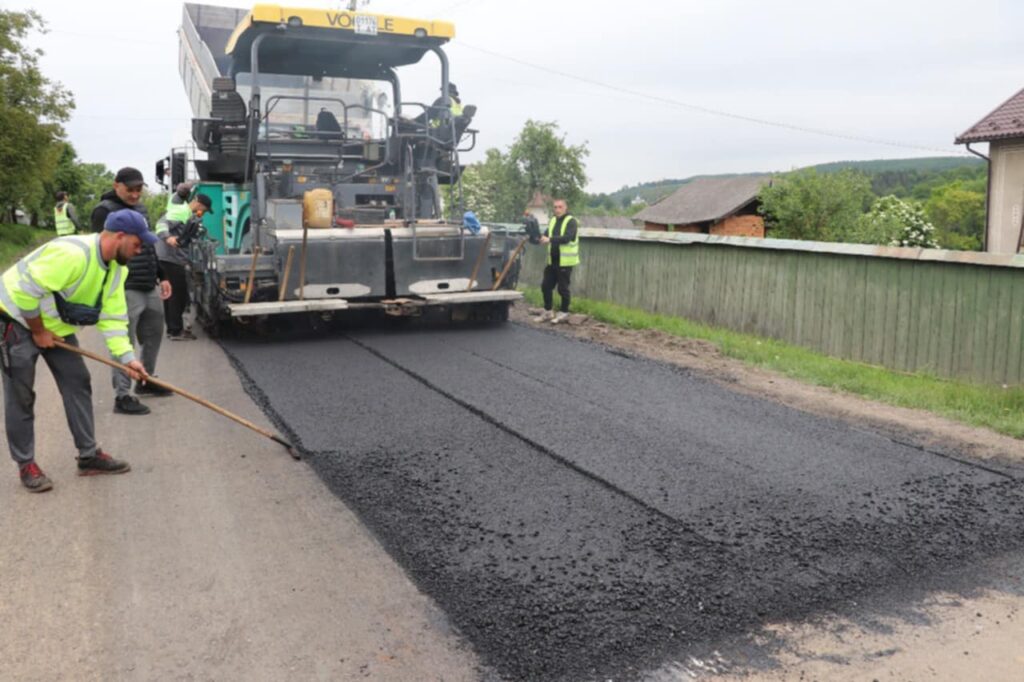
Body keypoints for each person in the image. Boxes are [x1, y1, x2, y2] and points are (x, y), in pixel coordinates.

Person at [0, 209, 156, 492]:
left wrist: (128, 358)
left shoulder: (116, 270)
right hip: (16, 320)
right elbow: (25, 291)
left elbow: (113, 317)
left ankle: (89, 456)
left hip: (55, 328)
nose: (140, 249)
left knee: (77, 382)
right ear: (119, 236)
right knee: (20, 395)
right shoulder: (73, 254)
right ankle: (26, 464)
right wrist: (37, 331)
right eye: (137, 243)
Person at [110, 222, 174, 416]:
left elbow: (149, 251)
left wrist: (162, 275)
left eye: (139, 189)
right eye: (132, 189)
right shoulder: (111, 214)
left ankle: (146, 381)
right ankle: (122, 396)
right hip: (127, 287)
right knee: (123, 341)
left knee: (154, 333)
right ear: (118, 188)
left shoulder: (139, 213)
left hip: (148, 285)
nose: (136, 192)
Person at [155, 193, 213, 340]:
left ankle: (172, 329)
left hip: (171, 258)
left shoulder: (188, 215)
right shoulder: (182, 211)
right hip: (171, 258)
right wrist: (168, 237)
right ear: (199, 204)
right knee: (178, 296)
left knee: (170, 294)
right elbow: (161, 224)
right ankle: (176, 331)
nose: (203, 213)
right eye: (204, 210)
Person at [539, 199, 580, 324]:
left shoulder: (571, 221)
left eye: (560, 207)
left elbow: (567, 238)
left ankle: (564, 312)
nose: (557, 209)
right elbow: (546, 235)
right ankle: (548, 312)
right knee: (546, 286)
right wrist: (540, 238)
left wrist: (549, 239)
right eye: (555, 207)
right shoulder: (552, 221)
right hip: (553, 260)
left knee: (563, 288)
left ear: (565, 208)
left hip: (565, 261)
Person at [90, 166, 148, 234]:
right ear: (116, 186)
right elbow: (100, 242)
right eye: (129, 190)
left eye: (139, 190)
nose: (135, 195)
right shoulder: (103, 210)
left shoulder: (141, 208)